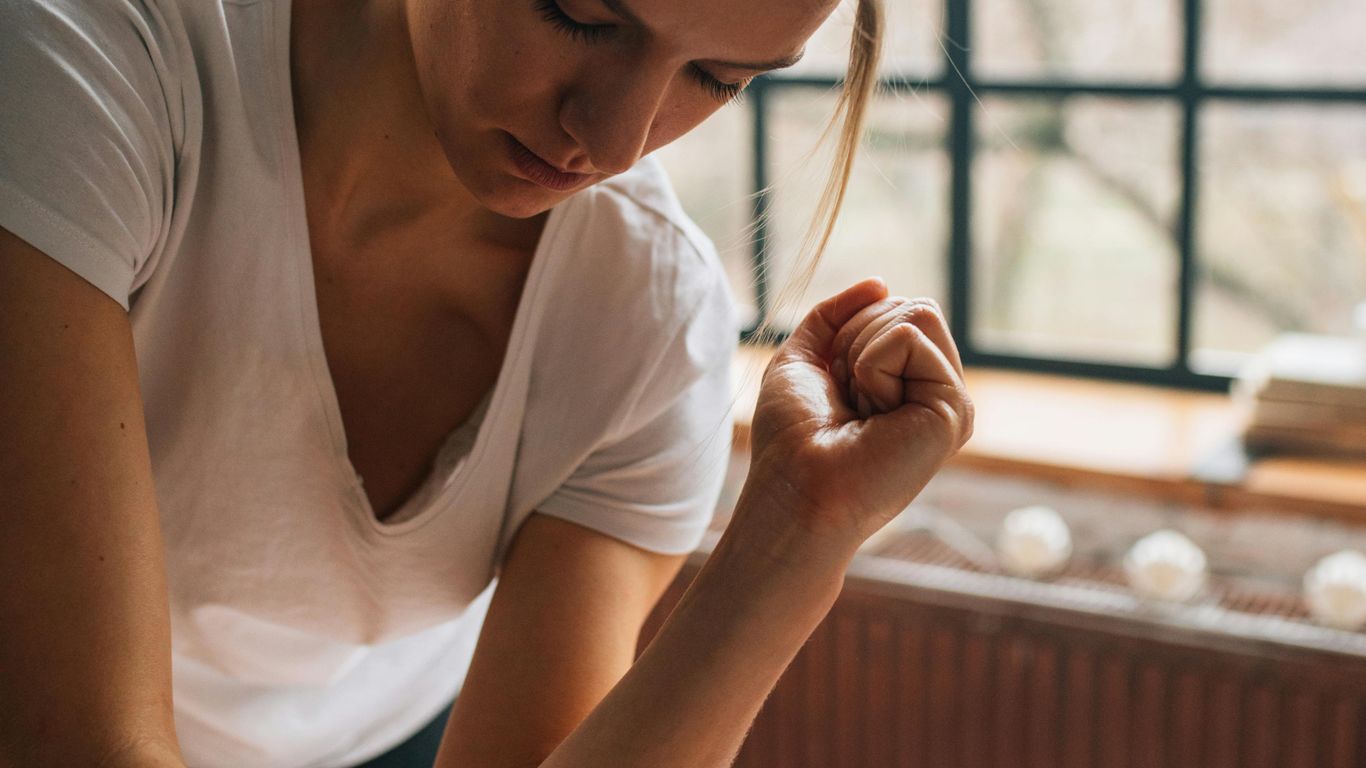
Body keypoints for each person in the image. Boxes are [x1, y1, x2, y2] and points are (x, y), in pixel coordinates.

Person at [0, 0, 973, 765]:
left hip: (381, 740)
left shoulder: (647, 310)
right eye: (579, 14)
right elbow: (71, 746)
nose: (617, 138)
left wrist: (802, 528)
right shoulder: (86, 67)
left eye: (718, 79)